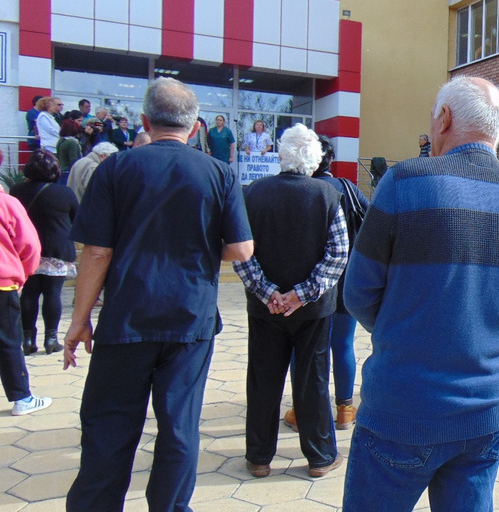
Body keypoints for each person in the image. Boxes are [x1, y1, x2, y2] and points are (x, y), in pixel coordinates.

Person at [342, 76, 499, 511]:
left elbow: (358, 292)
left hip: (405, 408)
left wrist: (410, 328)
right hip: (488, 412)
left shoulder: (403, 182)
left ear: (445, 117)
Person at [62, 77, 254, 511]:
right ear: (195, 126)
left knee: (109, 427)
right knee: (179, 429)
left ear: (145, 120)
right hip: (189, 322)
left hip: (126, 319)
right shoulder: (219, 172)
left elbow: (96, 252)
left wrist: (80, 319)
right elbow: (241, 250)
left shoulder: (115, 169)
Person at [234, 124, 349, 479]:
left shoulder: (253, 193)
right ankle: (319, 457)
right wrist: (301, 294)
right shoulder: (327, 195)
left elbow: (241, 253)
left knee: (263, 380)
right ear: (314, 158)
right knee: (312, 379)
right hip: (313, 310)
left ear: (281, 155)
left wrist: (269, 293)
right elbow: (339, 252)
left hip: (264, 308)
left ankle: (258, 457)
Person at [282, 135, 369, 433]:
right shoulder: (349, 188)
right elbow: (372, 225)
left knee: (304, 349)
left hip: (308, 285)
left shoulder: (301, 191)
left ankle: (301, 408)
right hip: (346, 282)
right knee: (342, 344)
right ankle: (345, 408)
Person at [10, 150, 78, 356]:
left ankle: (28, 339)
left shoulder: (17, 191)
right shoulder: (64, 193)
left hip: (25, 250)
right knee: (52, 294)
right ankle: (51, 338)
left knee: (29, 295)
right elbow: (77, 220)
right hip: (56, 249)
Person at [0, 164, 51, 416]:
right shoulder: (7, 203)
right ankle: (22, 397)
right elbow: (29, 244)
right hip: (3, 281)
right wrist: (23, 275)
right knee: (8, 341)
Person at [55, 118, 84, 185]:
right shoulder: (72, 142)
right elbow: (73, 160)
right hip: (69, 172)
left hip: (62, 170)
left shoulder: (61, 141)